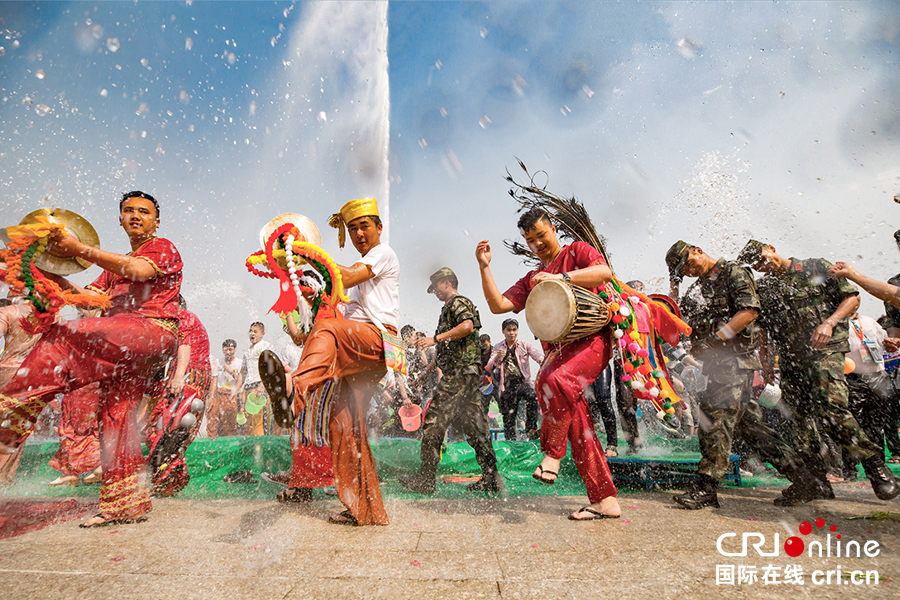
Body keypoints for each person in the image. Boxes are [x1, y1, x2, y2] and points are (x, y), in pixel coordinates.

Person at [0, 191, 182, 527]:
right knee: (116, 418)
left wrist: (80, 250)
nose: (136, 216)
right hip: (124, 346)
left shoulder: (162, 247)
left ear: (157, 221)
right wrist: (44, 270)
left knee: (63, 337)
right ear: (120, 219)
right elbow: (87, 300)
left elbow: (139, 270)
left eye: (144, 212)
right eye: (128, 211)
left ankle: (9, 417)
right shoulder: (111, 268)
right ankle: (125, 506)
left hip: (150, 332)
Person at [475, 207, 621, 520]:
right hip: (560, 352)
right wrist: (484, 267)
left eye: (541, 235)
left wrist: (560, 278)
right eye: (530, 240)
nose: (537, 243)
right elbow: (498, 304)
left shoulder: (577, 252)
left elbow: (603, 272)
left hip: (593, 341)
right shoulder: (531, 279)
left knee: (548, 381)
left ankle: (553, 455)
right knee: (579, 426)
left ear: (553, 229)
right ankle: (605, 500)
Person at [738, 240, 900, 501]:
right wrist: (767, 366)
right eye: (757, 264)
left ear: (771, 247)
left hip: (825, 353)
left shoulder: (814, 267)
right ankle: (816, 483)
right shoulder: (766, 287)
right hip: (792, 361)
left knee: (831, 409)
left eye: (762, 257)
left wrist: (830, 322)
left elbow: (852, 298)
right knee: (796, 422)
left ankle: (876, 469)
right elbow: (763, 331)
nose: (762, 264)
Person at [666, 241, 823, 508]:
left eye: (690, 263)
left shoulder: (733, 272)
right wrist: (675, 282)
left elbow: (749, 312)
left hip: (735, 360)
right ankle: (804, 478)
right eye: (684, 270)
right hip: (721, 363)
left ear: (699, 249)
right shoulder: (699, 285)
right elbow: (679, 314)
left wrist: (716, 339)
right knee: (752, 429)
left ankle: (706, 488)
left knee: (713, 418)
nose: (690, 270)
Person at [279, 197, 398, 526]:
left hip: (374, 340)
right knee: (344, 426)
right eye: (353, 228)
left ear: (379, 228)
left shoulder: (382, 253)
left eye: (364, 226)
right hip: (357, 354)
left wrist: (304, 251)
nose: (359, 233)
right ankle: (366, 511)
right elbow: (332, 287)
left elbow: (343, 276)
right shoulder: (359, 274)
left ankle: (295, 392)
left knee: (328, 327)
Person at [398, 267, 503, 494]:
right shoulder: (446, 310)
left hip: (459, 374)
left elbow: (467, 326)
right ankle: (491, 477)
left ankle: (426, 479)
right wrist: (424, 375)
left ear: (446, 282)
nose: (434, 291)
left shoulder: (458, 303)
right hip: (464, 374)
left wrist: (435, 338)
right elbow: (444, 352)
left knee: (434, 421)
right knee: (474, 427)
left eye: (436, 286)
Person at [144, 296, 211, 496]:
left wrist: (179, 377)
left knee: (172, 427)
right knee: (159, 428)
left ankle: (168, 480)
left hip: (189, 375)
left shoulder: (184, 316)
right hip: (182, 374)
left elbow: (185, 346)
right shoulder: (175, 321)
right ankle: (168, 479)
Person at [484, 318, 543, 441]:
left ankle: (531, 428)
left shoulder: (524, 345)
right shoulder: (498, 347)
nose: (512, 333)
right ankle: (510, 439)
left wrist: (543, 361)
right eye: (509, 330)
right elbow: (489, 366)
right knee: (508, 417)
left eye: (514, 330)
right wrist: (497, 358)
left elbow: (537, 355)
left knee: (532, 395)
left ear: (517, 331)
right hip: (507, 386)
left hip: (523, 383)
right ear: (503, 331)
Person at [239, 322, 272, 436]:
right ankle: (253, 447)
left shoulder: (265, 346)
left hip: (260, 386)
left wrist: (263, 385)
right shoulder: (247, 351)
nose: (252, 333)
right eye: (250, 331)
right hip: (249, 387)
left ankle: (261, 448)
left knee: (260, 420)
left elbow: (270, 367)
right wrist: (237, 389)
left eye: (255, 331)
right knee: (250, 421)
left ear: (262, 334)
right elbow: (243, 372)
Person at [207, 339, 242, 438]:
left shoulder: (239, 363)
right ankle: (211, 441)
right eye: (226, 350)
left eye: (230, 350)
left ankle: (228, 444)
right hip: (217, 392)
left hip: (230, 394)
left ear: (235, 350)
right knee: (212, 419)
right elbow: (213, 378)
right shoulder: (217, 362)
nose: (228, 352)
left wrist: (231, 372)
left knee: (228, 422)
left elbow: (241, 380)